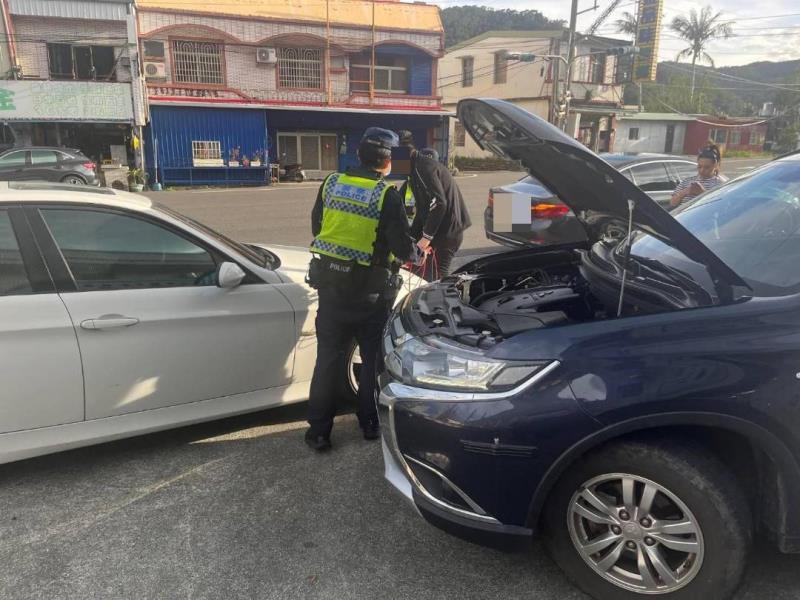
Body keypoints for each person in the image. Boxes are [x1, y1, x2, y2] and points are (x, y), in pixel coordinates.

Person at [304, 127, 419, 452]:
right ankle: (369, 424)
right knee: (371, 360)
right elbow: (400, 246)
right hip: (370, 295)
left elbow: (318, 225)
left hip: (331, 288)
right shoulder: (386, 195)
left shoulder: (331, 183)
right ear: (388, 162)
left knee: (327, 358)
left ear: (358, 155)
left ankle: (318, 432)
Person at [398, 132, 471, 281]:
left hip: (448, 233)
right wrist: (413, 240)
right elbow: (422, 211)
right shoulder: (413, 173)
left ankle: (442, 301)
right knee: (419, 274)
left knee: (435, 278)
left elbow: (439, 203)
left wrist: (425, 238)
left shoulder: (424, 168)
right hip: (438, 231)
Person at [670, 142, 725, 208]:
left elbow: (720, 206)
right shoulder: (687, 181)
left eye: (707, 167)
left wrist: (702, 193)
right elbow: (672, 203)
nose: (702, 170)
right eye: (699, 166)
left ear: (715, 165)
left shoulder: (720, 185)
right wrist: (685, 191)